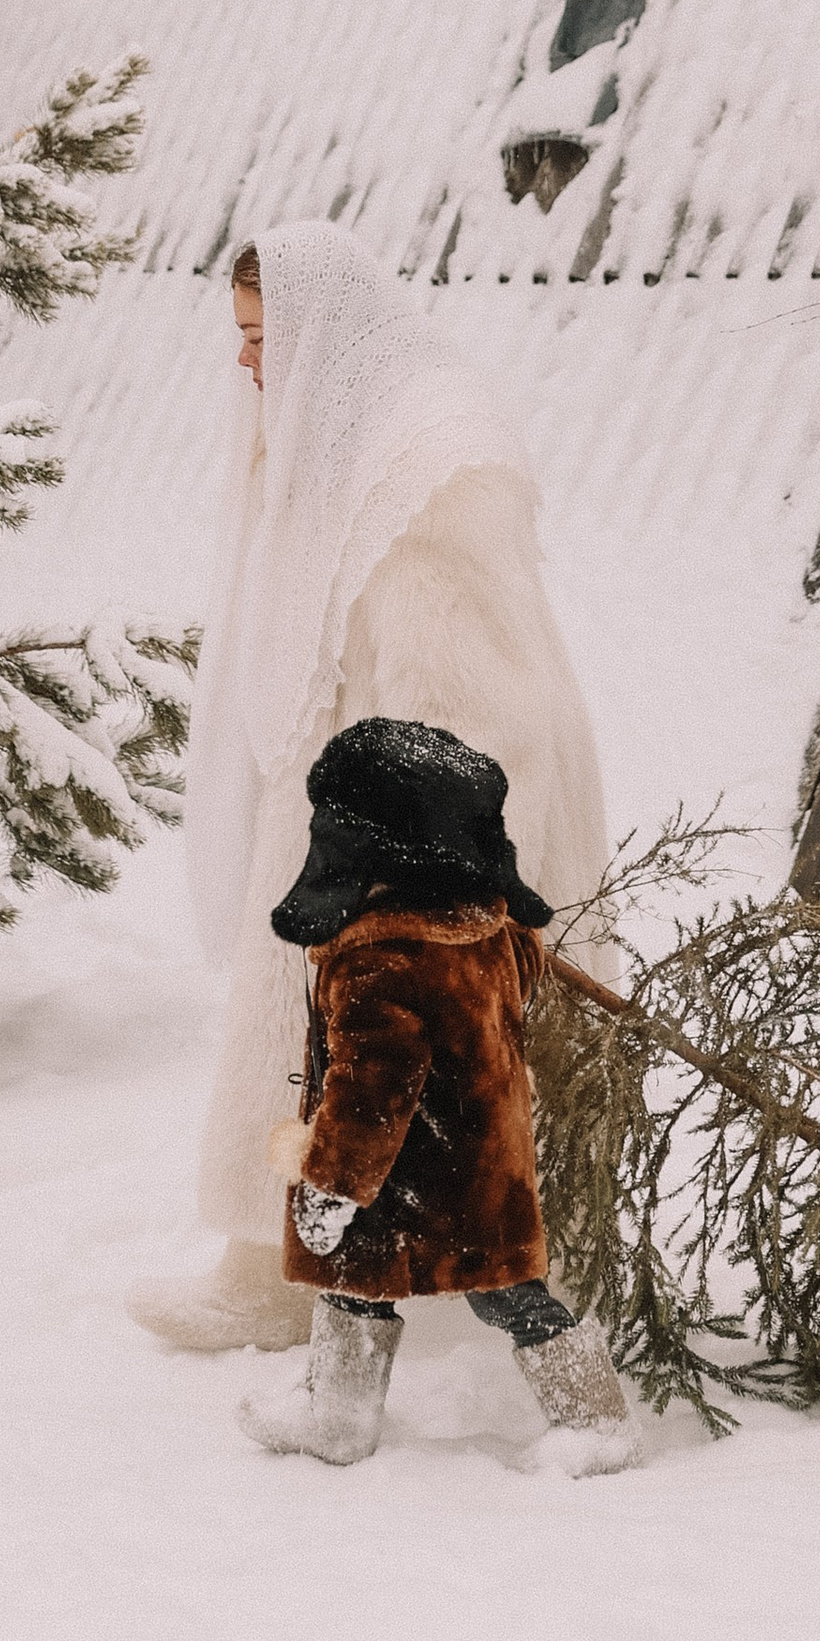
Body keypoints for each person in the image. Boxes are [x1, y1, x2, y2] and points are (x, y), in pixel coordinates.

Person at [126, 218, 609, 1357]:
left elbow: (476, 692)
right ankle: (278, 1259)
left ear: (319, 336)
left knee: (395, 1050)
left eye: (258, 339)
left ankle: (330, 1277)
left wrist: (417, 868)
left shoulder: (425, 464)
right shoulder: (349, 429)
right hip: (353, 788)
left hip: (421, 809)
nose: (244, 365)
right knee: (333, 1042)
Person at [237, 716, 641, 1473]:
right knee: (367, 1285)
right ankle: (335, 1413)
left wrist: (329, 1184)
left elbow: (370, 1096)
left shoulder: (381, 963)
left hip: (415, 1175)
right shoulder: (488, 929)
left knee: (499, 1297)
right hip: (480, 1159)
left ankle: (597, 1424)